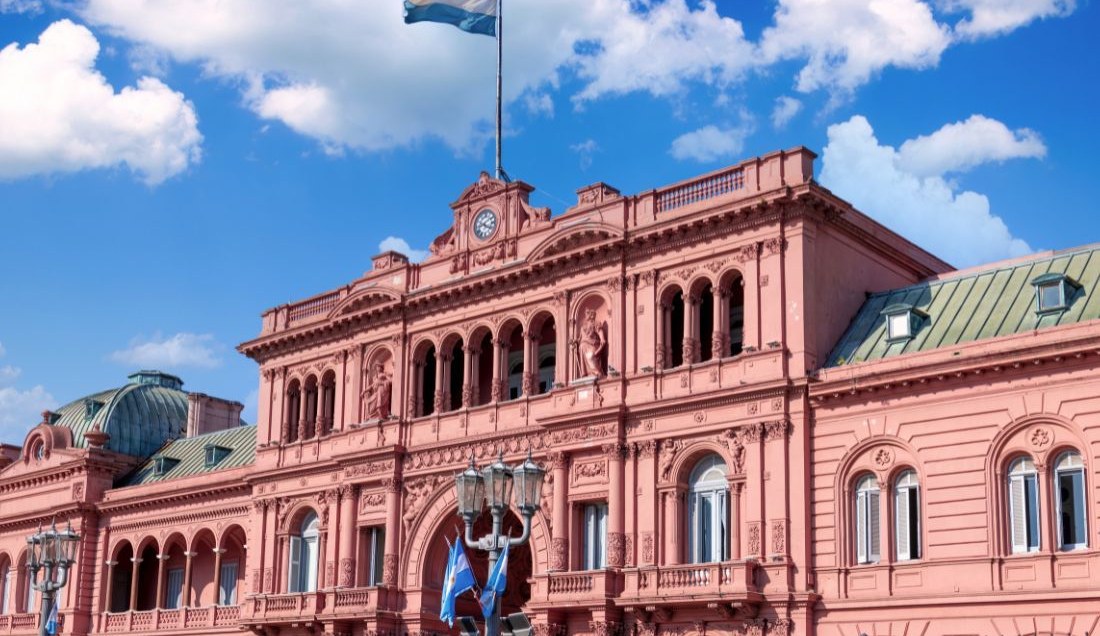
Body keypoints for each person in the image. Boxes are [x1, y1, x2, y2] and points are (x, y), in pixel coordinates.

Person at [578, 308, 607, 377]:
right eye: (586, 314)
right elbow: (580, 338)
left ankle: (598, 373)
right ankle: (588, 373)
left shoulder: (596, 324)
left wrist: (601, 341)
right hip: (583, 347)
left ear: (591, 315)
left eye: (588, 313)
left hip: (593, 345)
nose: (586, 315)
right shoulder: (583, 327)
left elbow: (601, 336)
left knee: (591, 357)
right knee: (583, 347)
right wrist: (574, 342)